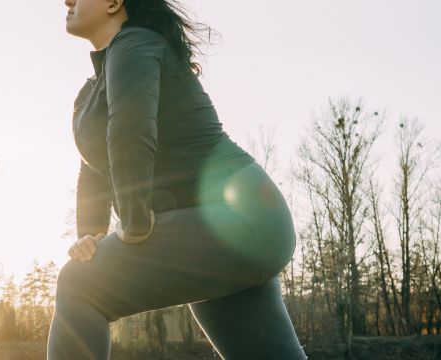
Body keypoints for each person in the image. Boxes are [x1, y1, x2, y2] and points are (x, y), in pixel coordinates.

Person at [48, 0, 308, 359]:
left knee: (79, 285)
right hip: (221, 228)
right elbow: (94, 168)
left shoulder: (136, 43)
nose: (68, 0)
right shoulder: (89, 93)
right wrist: (89, 237)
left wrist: (134, 222)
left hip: (242, 217)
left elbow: (131, 132)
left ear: (114, 3)